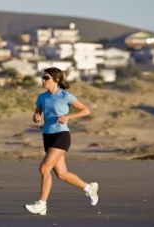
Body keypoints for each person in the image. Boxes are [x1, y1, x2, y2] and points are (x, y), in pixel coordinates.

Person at [24, 67, 99, 216]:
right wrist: (36, 117)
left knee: (44, 169)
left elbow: (85, 110)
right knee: (62, 174)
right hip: (47, 136)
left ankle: (42, 204)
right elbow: (37, 113)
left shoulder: (65, 96)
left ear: (56, 80)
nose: (43, 80)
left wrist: (68, 117)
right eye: (43, 78)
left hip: (61, 135)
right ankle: (89, 188)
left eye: (46, 78)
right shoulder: (42, 97)